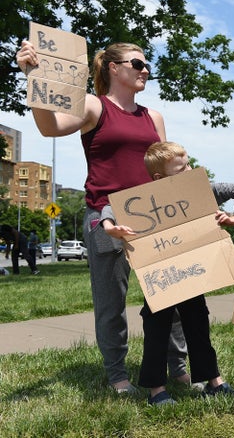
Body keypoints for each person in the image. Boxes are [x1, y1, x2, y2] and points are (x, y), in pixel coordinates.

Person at [16, 41, 190, 393]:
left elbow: (166, 168)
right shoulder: (94, 106)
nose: (145, 69)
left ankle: (178, 366)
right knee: (112, 304)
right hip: (106, 217)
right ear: (113, 67)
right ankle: (117, 373)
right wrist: (33, 78)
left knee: (170, 296)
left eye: (147, 63)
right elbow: (50, 127)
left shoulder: (153, 117)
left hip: (154, 216)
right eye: (137, 63)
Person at [101, 141, 234, 405]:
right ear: (159, 177)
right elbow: (110, 209)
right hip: (159, 279)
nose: (190, 170)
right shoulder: (143, 197)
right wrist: (110, 226)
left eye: (189, 163)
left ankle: (213, 382)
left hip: (191, 275)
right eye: (182, 168)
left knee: (199, 325)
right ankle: (156, 390)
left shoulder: (198, 189)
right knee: (156, 331)